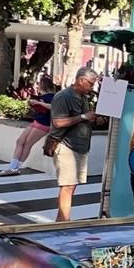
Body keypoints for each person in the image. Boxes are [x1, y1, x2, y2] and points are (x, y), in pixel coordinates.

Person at [48, 66, 99, 222]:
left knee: (71, 186)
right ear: (81, 80)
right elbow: (58, 122)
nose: (92, 87)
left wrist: (93, 119)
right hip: (66, 146)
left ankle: (61, 222)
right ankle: (64, 222)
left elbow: (83, 119)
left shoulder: (82, 97)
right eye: (90, 83)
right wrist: (84, 116)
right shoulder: (63, 97)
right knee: (67, 186)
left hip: (79, 146)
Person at [0, 74, 57, 176]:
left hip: (44, 123)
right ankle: (13, 166)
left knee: (28, 144)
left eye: (39, 84)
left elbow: (53, 107)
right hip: (37, 121)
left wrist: (39, 103)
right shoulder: (42, 96)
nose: (37, 86)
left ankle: (15, 168)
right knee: (20, 141)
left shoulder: (53, 96)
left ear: (43, 85)